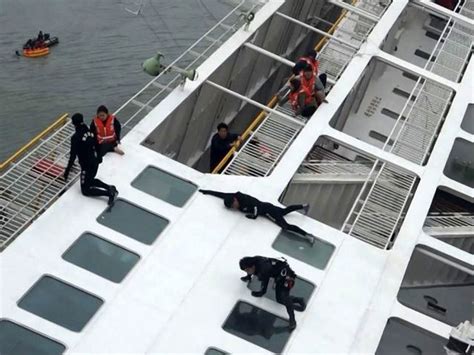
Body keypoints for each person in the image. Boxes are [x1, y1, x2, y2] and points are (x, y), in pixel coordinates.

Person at [199, 189, 315, 245]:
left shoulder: (244, 200)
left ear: (235, 200)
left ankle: (307, 235)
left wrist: (253, 216)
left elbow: (255, 207)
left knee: (285, 226)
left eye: (233, 205)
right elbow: (220, 194)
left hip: (267, 211)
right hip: (267, 206)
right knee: (284, 211)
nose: (234, 208)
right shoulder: (231, 197)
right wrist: (206, 192)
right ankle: (303, 206)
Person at [64, 113, 118, 205]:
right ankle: (110, 187)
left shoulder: (75, 138)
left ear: (73, 124)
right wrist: (100, 157)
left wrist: (67, 171)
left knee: (85, 190)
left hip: (86, 166)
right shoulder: (91, 131)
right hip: (95, 162)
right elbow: (98, 145)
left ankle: (109, 193)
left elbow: (72, 156)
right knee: (90, 180)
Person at [239, 256, 306, 330]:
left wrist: (261, 292)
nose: (247, 272)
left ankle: (292, 319)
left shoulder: (263, 269)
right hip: (278, 275)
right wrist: (248, 277)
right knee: (279, 299)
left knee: (283, 298)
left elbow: (265, 281)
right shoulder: (255, 261)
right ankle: (298, 300)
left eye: (248, 270)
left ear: (253, 266)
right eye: (245, 271)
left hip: (286, 277)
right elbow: (252, 271)